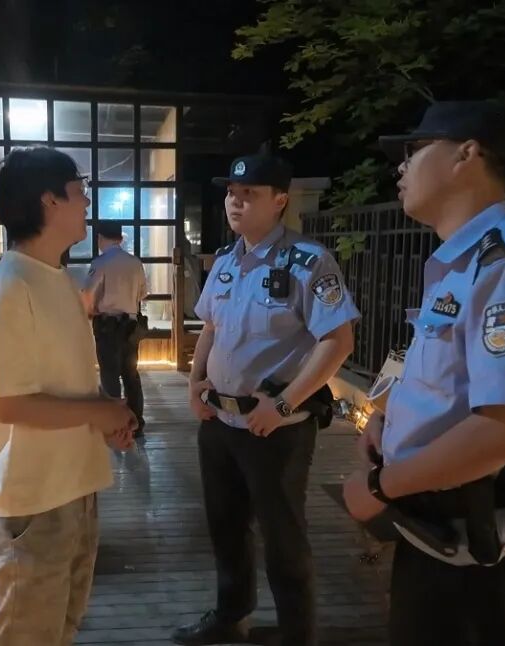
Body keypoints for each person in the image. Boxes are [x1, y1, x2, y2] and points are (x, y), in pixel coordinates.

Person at [342, 101, 505, 646]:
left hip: (476, 550)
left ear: (466, 154)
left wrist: (378, 486)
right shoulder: (461, 261)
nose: (401, 167)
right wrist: (385, 418)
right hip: (437, 533)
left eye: (413, 150)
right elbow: (440, 374)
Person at [173, 153, 359, 646]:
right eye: (232, 193)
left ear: (280, 200)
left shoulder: (308, 260)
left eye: (249, 194)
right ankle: (230, 616)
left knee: (283, 537)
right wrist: (194, 384)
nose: (235, 202)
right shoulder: (226, 259)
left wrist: (282, 406)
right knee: (225, 526)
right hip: (219, 421)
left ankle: (298, 634)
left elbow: (338, 340)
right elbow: (210, 327)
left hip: (276, 427)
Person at [0, 146, 138, 646]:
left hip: (74, 487)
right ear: (50, 201)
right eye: (79, 191)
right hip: (33, 499)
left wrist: (104, 418)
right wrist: (99, 411)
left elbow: (63, 383)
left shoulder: (58, 279)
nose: (86, 202)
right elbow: (9, 404)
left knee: (59, 630)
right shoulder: (10, 285)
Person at [83, 221, 149, 437]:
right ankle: (136, 422)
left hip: (107, 326)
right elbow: (143, 293)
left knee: (110, 375)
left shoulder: (101, 263)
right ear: (120, 238)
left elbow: (88, 294)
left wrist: (91, 311)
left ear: (100, 238)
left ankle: (114, 424)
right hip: (131, 326)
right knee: (131, 374)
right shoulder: (135, 262)